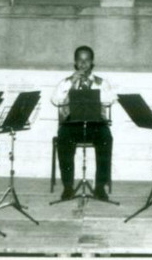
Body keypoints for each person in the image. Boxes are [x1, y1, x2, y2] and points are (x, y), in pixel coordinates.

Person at [51, 45, 116, 201]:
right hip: (72, 123)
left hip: (95, 123)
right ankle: (68, 187)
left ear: (92, 62)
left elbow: (111, 100)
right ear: (75, 62)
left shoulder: (101, 82)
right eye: (80, 60)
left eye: (87, 60)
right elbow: (55, 100)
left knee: (106, 138)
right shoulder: (65, 82)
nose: (83, 64)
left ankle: (100, 187)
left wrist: (97, 91)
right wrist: (70, 83)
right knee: (64, 138)